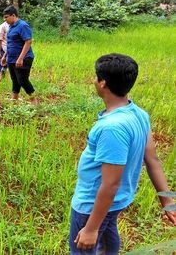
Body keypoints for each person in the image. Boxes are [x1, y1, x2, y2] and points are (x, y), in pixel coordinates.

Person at [69, 54, 176, 254]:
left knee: (85, 246)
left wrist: (91, 228)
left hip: (92, 204)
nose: (94, 80)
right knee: (109, 235)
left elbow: (110, 184)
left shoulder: (112, 128)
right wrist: (167, 199)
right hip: (116, 201)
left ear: (103, 83)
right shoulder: (138, 114)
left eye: (96, 77)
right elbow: (152, 160)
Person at [0, 5, 37, 104]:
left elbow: (28, 41)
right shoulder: (11, 27)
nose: (5, 19)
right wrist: (5, 56)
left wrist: (20, 58)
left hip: (23, 58)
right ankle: (14, 99)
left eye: (6, 17)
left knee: (23, 80)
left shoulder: (23, 25)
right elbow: (11, 43)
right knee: (15, 80)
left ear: (13, 15)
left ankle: (34, 101)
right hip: (11, 59)